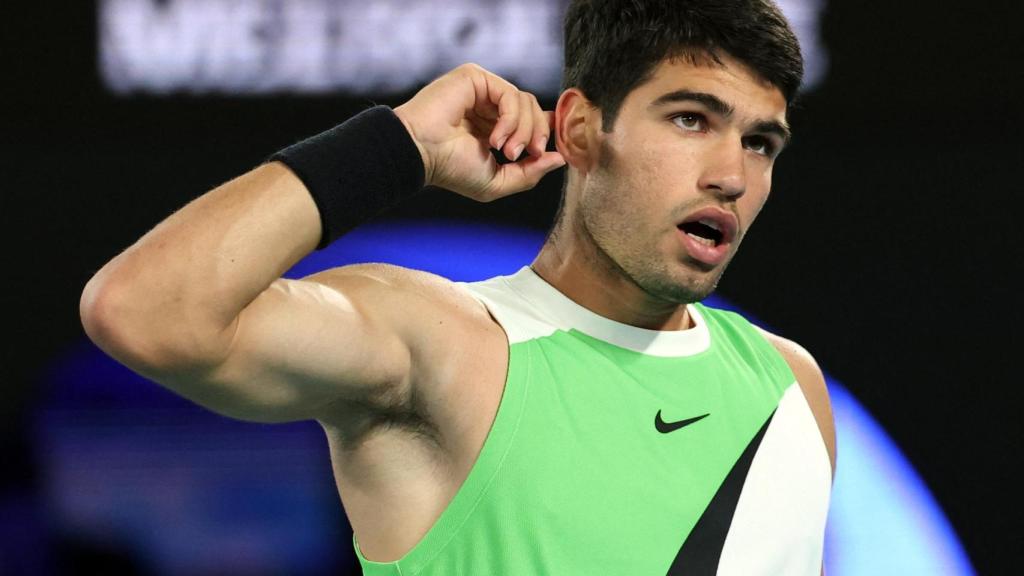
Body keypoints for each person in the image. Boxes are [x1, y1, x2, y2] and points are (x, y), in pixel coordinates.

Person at [80, 0, 835, 573]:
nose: (732, 177)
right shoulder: (446, 344)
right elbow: (145, 312)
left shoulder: (789, 384)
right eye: (691, 120)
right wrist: (397, 147)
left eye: (759, 142)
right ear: (576, 129)